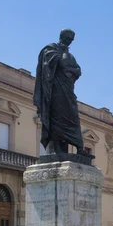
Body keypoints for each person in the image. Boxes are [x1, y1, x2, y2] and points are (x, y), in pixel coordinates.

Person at [33, 28, 83, 157]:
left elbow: (78, 71)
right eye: (69, 39)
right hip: (55, 90)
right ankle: (56, 148)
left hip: (68, 92)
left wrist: (69, 68)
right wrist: (66, 64)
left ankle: (80, 148)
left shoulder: (70, 55)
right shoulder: (51, 49)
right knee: (57, 118)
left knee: (74, 118)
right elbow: (61, 63)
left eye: (72, 40)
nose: (70, 42)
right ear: (62, 37)